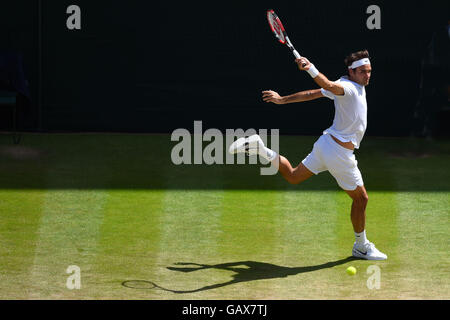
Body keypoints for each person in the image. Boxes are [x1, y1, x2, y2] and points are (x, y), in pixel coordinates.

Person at [229, 50, 387, 260]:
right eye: (362, 72)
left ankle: (260, 149)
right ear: (352, 71)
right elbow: (328, 86)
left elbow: (314, 93)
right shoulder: (346, 87)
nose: (367, 75)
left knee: (293, 176)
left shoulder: (349, 84)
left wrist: (282, 100)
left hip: (326, 145)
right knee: (361, 199)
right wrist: (310, 68)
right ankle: (361, 246)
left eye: (369, 71)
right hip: (339, 153)